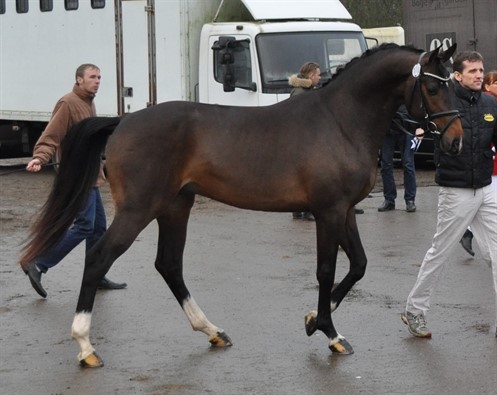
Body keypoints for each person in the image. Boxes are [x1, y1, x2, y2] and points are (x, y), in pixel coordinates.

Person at [402, 51, 497, 338]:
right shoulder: (444, 100)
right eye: (472, 72)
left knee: (496, 254)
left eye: (481, 70)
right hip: (455, 190)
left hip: (486, 186)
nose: (479, 75)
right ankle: (415, 310)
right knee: (440, 253)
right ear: (457, 75)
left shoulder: (490, 103)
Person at [23, 64, 127, 298]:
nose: (97, 81)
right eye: (92, 77)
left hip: (90, 177)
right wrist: (39, 158)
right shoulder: (68, 103)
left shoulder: (88, 103)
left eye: (99, 77)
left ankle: (96, 275)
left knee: (98, 228)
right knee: (85, 226)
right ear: (79, 80)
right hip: (77, 178)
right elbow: (51, 136)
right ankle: (39, 263)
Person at [288, 61, 364, 219]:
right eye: (317, 74)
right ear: (310, 76)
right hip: (304, 141)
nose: (319, 77)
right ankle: (303, 210)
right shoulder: (301, 92)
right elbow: (300, 117)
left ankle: (301, 210)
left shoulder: (308, 90)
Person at [459, 70, 497, 256]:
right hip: (489, 166)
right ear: (487, 86)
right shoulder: (487, 102)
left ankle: (467, 233)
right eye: (496, 82)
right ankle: (466, 232)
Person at [378, 105, 424, 213]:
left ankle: (410, 200)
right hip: (389, 128)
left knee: (408, 164)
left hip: (407, 128)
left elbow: (418, 103)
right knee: (385, 165)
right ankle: (389, 199)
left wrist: (421, 126)